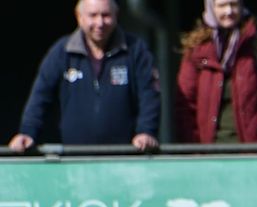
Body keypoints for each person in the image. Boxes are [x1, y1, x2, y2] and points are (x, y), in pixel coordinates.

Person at [8, 0, 160, 152]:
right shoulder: (62, 52)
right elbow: (40, 96)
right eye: (93, 15)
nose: (100, 23)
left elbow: (149, 95)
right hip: (74, 157)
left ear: (116, 15)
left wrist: (146, 131)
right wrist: (28, 133)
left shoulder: (136, 50)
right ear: (79, 17)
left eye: (106, 15)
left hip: (124, 155)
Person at [175, 0, 257, 143]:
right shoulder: (196, 52)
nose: (228, 11)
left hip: (255, 153)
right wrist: (194, 151)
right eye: (222, 6)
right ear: (211, 8)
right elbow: (185, 107)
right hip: (209, 153)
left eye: (233, 5)